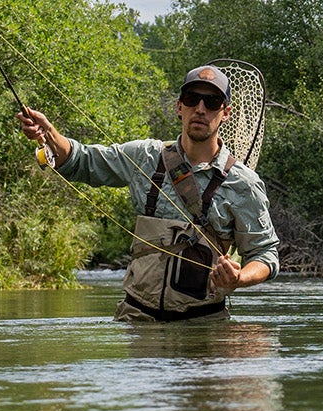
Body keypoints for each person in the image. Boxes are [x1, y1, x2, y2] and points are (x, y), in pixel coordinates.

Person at [17, 64, 279, 322]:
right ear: (179, 107)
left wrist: (238, 278)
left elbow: (265, 254)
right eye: (192, 99)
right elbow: (83, 161)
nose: (200, 109)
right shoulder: (145, 157)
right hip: (136, 321)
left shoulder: (244, 183)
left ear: (226, 113)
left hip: (204, 327)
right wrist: (49, 134)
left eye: (211, 102)